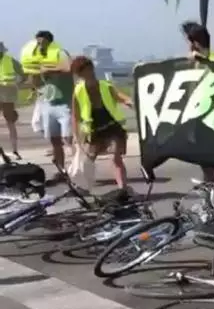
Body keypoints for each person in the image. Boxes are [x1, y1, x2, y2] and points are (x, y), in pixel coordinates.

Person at [181, 21, 214, 200]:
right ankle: (208, 205)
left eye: (189, 41)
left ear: (195, 42)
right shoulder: (190, 63)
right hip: (197, 120)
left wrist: (201, 60)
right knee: (205, 167)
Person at [70, 56, 132, 190]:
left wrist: (128, 101)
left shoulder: (105, 86)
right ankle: (83, 187)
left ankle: (123, 188)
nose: (88, 73)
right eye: (83, 71)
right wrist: (76, 136)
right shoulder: (78, 91)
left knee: (116, 158)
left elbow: (119, 96)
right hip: (94, 130)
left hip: (112, 126)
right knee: (87, 160)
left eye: (89, 69)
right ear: (79, 74)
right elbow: (75, 116)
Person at [22, 31, 74, 180]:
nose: (40, 46)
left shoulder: (60, 53)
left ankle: (77, 169)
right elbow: (35, 78)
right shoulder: (36, 57)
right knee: (54, 140)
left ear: (49, 42)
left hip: (64, 103)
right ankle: (61, 170)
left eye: (42, 42)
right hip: (47, 103)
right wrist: (33, 88)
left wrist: (51, 70)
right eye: (38, 43)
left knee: (68, 138)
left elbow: (69, 69)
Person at [0, 42, 25, 159]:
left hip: (7, 95)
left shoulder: (10, 60)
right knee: (10, 124)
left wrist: (17, 83)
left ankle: (14, 150)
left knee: (10, 123)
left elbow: (23, 74)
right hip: (7, 94)